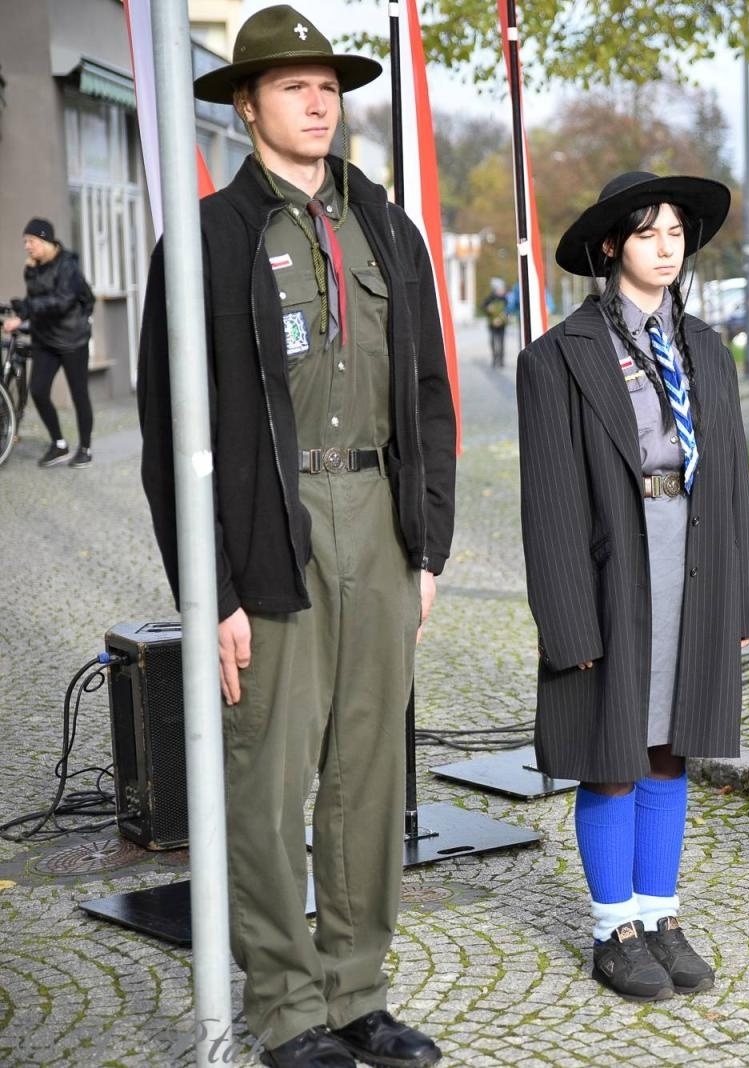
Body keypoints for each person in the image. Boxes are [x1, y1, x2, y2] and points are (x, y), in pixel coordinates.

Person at [136, 7, 454, 1065]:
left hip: (377, 526)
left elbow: (428, 397)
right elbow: (167, 437)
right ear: (246, 105)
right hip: (270, 533)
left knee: (368, 778)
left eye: (328, 86)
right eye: (291, 87)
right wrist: (211, 590)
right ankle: (285, 1010)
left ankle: (356, 989)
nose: (317, 102)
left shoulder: (390, 232)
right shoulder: (206, 244)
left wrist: (429, 548)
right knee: (269, 785)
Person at [518, 171, 749, 1000]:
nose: (666, 247)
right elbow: (548, 503)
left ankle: (660, 913)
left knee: (670, 747)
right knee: (612, 753)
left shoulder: (708, 350)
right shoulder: (558, 358)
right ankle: (611, 926)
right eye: (647, 233)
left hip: (692, 569)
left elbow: (730, 481)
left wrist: (742, 603)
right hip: (612, 570)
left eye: (676, 233)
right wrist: (569, 627)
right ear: (610, 248)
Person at [4, 218, 94, 467]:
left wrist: (27, 311)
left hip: (72, 341)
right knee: (39, 391)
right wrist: (22, 309)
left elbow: (63, 301)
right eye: (25, 242)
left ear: (45, 240)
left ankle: (85, 448)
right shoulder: (32, 267)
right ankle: (59, 444)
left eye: (31, 241)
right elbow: (37, 299)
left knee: (79, 395)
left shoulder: (68, 266)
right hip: (44, 339)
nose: (27, 246)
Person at [481, 276, 510, 368]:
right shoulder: (490, 298)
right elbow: (483, 306)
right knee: (493, 341)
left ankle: (501, 360)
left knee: (501, 342)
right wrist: (487, 308)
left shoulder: (505, 299)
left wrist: (502, 319)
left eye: (503, 289)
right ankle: (494, 359)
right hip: (492, 324)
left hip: (502, 324)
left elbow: (508, 311)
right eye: (500, 288)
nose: (502, 290)